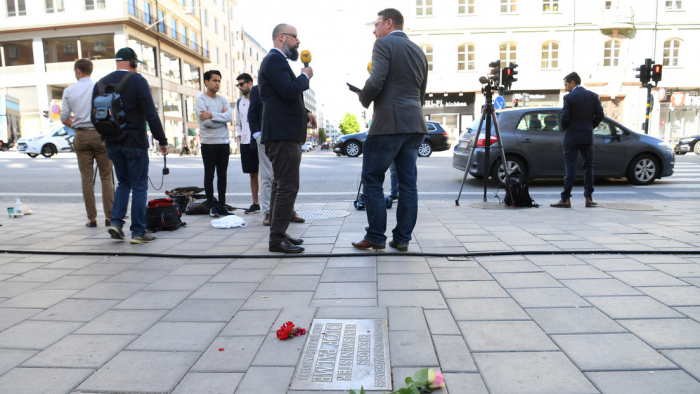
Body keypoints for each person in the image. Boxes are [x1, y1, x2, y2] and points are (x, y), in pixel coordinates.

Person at [352, 8, 428, 252]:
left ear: (388, 23)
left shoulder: (384, 44)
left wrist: (363, 97)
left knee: (372, 180)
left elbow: (377, 80)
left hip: (388, 124)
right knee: (408, 184)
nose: (374, 30)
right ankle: (402, 239)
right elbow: (421, 92)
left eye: (375, 25)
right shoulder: (419, 51)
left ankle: (375, 237)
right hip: (414, 123)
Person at [94, 47, 169, 244]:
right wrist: (162, 140)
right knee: (139, 186)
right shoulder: (137, 81)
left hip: (112, 142)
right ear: (133, 63)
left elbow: (93, 115)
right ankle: (138, 231)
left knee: (123, 183)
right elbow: (151, 114)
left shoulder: (100, 84)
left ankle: (116, 223)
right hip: (135, 142)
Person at [259, 23, 316, 253]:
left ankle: (278, 233)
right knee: (288, 186)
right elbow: (288, 90)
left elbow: (283, 96)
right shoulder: (274, 60)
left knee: (279, 184)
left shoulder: (277, 61)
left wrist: (305, 113)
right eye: (295, 37)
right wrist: (305, 76)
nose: (298, 42)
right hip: (282, 135)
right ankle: (276, 239)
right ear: (282, 37)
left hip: (283, 133)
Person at [61, 58, 114, 228]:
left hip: (81, 136)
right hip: (101, 134)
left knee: (86, 178)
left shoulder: (69, 90)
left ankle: (91, 218)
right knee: (106, 177)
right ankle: (109, 217)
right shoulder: (100, 87)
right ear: (90, 70)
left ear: (77, 71)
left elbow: (64, 118)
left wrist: (77, 124)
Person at [248, 76, 306, 227]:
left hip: (284, 136)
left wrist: (307, 113)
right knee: (268, 176)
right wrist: (257, 135)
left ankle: (288, 211)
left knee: (287, 178)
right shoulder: (256, 90)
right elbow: (252, 113)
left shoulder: (284, 87)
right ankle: (268, 212)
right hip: (265, 137)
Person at [551, 72, 604, 208]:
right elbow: (600, 115)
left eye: (566, 84)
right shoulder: (593, 96)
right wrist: (590, 126)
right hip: (587, 136)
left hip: (572, 137)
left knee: (570, 167)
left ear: (573, 82)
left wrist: (565, 128)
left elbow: (565, 117)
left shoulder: (569, 97)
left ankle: (566, 199)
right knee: (588, 167)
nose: (565, 88)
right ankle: (588, 198)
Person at [195, 70, 234, 217]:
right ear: (206, 82)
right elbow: (206, 124)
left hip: (223, 142)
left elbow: (229, 117)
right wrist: (221, 118)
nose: (217, 83)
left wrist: (211, 115)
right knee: (209, 175)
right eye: (214, 80)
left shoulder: (223, 100)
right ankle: (211, 206)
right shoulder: (200, 100)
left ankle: (222, 205)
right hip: (208, 143)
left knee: (222, 175)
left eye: (219, 81)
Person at [234, 73, 261, 214]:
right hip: (246, 142)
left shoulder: (259, 97)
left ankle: (272, 202)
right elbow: (238, 123)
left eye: (242, 84)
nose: (240, 87)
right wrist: (240, 136)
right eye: (237, 85)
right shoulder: (239, 102)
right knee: (252, 173)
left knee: (269, 173)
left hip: (260, 139)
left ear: (250, 83)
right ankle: (255, 202)